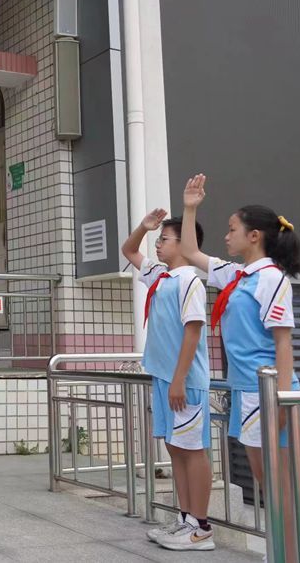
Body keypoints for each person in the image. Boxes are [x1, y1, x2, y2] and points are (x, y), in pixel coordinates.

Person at [179, 174, 300, 561]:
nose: (226, 236)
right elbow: (190, 251)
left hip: (268, 391)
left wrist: (281, 401)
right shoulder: (236, 275)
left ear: (254, 236)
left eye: (232, 229)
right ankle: (281, 553)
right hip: (247, 390)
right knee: (267, 482)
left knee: (280, 484)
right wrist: (190, 208)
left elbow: (283, 342)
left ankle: (290, 555)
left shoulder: (271, 279)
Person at [122, 211, 214, 551]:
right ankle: (186, 517)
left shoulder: (190, 281)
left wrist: (179, 379)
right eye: (158, 239)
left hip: (184, 382)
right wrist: (143, 228)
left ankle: (201, 527)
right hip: (164, 378)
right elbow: (129, 250)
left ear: (184, 243)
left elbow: (193, 331)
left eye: (164, 239)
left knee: (193, 450)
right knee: (176, 449)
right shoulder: (160, 276)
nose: (157, 245)